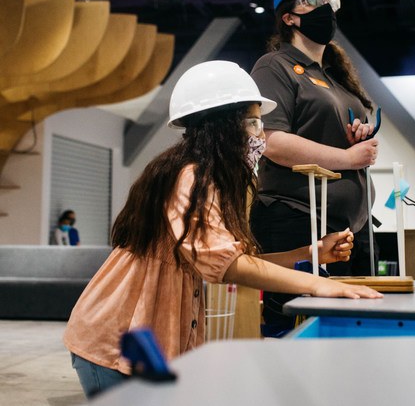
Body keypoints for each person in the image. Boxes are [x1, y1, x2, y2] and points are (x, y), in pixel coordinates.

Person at [63, 60, 381, 399]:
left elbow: (234, 259)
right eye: (255, 123)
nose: (261, 136)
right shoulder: (190, 178)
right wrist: (318, 285)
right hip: (115, 344)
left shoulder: (211, 180)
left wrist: (309, 254)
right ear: (223, 125)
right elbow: (227, 265)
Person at [250, 0, 380, 334]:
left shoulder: (334, 78)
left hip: (347, 228)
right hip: (296, 220)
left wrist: (358, 135)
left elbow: (330, 134)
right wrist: (347, 158)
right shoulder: (275, 67)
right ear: (289, 17)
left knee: (349, 332)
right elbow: (271, 141)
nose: (325, 6)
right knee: (293, 333)